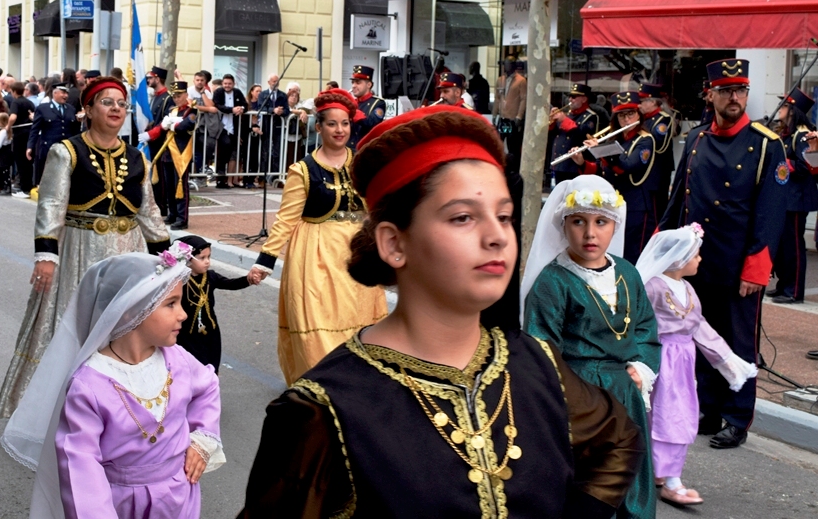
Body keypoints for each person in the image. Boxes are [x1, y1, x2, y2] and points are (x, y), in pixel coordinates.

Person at [240, 106, 645, 518]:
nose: (496, 237)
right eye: (463, 217)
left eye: (504, 216)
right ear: (394, 244)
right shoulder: (322, 411)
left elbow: (619, 440)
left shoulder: (536, 363)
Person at [0, 77, 171, 419]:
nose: (116, 108)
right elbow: (51, 206)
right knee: (75, 328)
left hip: (129, 253)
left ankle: (120, 408)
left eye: (121, 103)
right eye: (107, 102)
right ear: (87, 110)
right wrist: (46, 256)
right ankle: (62, 410)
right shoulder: (66, 151)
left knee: (123, 330)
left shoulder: (137, 158)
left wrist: (170, 262)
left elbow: (149, 212)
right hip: (80, 251)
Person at [2, 248, 225, 518]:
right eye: (171, 304)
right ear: (131, 310)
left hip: (180, 495)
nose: (183, 314)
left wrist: (202, 439)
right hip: (123, 504)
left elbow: (208, 387)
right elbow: (80, 467)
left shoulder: (176, 358)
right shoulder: (90, 385)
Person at [659, 58, 788, 449]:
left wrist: (757, 267)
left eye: (741, 90)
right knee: (700, 336)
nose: (735, 97)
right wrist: (663, 250)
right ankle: (710, 408)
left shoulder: (767, 144)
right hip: (698, 261)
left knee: (738, 341)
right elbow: (677, 201)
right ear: (710, 94)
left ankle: (737, 415)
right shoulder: (697, 140)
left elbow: (771, 211)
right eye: (727, 90)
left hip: (738, 263)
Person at [521, 174, 661, 519]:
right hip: (581, 399)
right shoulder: (553, 282)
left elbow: (645, 326)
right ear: (563, 225)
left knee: (630, 472)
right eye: (578, 222)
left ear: (615, 226)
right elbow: (542, 348)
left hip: (626, 392)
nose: (590, 233)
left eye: (601, 222)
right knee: (592, 481)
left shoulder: (627, 273)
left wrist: (641, 367)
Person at [247, 89, 387, 384]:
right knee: (318, 325)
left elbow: (377, 207)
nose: (340, 130)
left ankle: (357, 385)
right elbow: (286, 220)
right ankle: (323, 388)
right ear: (318, 127)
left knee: (358, 322)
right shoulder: (303, 171)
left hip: (357, 255)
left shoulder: (363, 163)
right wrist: (264, 261)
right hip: (316, 258)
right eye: (333, 124)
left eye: (345, 123)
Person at [635, 224, 757, 507]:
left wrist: (728, 362)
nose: (700, 260)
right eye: (696, 255)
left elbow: (700, 328)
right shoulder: (653, 287)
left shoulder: (688, 289)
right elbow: (639, 324)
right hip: (658, 361)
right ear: (678, 259)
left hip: (683, 365)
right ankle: (662, 476)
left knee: (680, 416)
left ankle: (666, 474)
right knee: (659, 417)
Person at [573, 91, 657, 263]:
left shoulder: (645, 140)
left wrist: (601, 150)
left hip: (636, 206)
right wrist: (581, 161)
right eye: (621, 116)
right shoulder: (618, 138)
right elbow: (602, 171)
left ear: (638, 115)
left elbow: (626, 167)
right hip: (614, 204)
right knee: (613, 252)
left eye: (630, 114)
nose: (626, 120)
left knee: (632, 255)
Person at [175, 235, 252, 372]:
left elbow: (231, 284)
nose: (207, 262)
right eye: (202, 258)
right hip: (187, 333)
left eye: (209, 257)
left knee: (212, 363)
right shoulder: (180, 281)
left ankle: (210, 389)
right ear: (188, 258)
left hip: (211, 330)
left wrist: (248, 279)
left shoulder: (211, 277)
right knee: (192, 366)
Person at [769, 89, 818, 304]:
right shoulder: (787, 134)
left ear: (793, 110)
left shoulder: (801, 135)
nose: (780, 109)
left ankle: (794, 290)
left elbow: (804, 166)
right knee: (783, 247)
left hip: (797, 199)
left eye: (785, 106)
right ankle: (783, 285)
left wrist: (780, 165)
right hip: (787, 198)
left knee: (794, 248)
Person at [147, 81, 197, 231]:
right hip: (168, 152)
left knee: (180, 186)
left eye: (179, 95)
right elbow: (163, 125)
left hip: (181, 153)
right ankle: (172, 214)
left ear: (186, 95)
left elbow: (185, 126)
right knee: (169, 186)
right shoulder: (172, 110)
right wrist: (168, 123)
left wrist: (172, 125)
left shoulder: (191, 111)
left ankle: (182, 218)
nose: (176, 98)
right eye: (174, 96)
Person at [638, 82, 680, 220]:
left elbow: (659, 145)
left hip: (658, 171)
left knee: (656, 210)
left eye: (642, 101)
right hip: (646, 171)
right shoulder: (644, 119)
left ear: (652, 102)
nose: (639, 105)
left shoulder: (663, 118)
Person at [27, 83, 80, 186]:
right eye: (63, 93)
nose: (66, 96)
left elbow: (75, 130)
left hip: (66, 148)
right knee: (49, 176)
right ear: (55, 93)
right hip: (49, 148)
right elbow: (35, 129)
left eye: (67, 93)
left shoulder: (71, 109)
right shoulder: (43, 108)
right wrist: (30, 146)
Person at [140, 66, 176, 216]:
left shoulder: (168, 98)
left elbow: (165, 122)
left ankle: (162, 208)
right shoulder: (156, 96)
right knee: (153, 177)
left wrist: (151, 134)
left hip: (161, 142)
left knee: (160, 178)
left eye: (150, 77)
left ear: (157, 78)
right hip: (153, 141)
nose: (148, 80)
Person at [550, 83, 600, 185]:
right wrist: (552, 121)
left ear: (584, 99)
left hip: (574, 166)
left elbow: (582, 134)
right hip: (559, 163)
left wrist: (564, 120)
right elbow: (554, 134)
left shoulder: (591, 116)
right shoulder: (567, 115)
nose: (570, 99)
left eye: (574, 97)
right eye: (569, 96)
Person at [210, 74, 248, 190]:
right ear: (222, 84)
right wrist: (231, 110)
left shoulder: (237, 92)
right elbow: (218, 105)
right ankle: (220, 179)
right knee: (223, 152)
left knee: (231, 153)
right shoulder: (218, 93)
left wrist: (241, 109)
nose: (227, 86)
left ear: (233, 84)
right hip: (221, 127)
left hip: (234, 128)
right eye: (225, 83)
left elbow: (245, 105)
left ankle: (227, 179)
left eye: (229, 83)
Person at [493, 59, 527, 157]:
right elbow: (497, 98)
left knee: (513, 145)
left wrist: (519, 116)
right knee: (499, 143)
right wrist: (495, 114)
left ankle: (513, 168)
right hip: (503, 117)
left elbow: (523, 99)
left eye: (509, 64)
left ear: (513, 66)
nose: (506, 67)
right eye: (505, 65)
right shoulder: (500, 80)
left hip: (513, 118)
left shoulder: (521, 81)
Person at [9, 81, 37, 198]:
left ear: (14, 91)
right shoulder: (29, 102)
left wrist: (8, 127)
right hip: (29, 134)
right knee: (28, 161)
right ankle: (28, 185)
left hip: (19, 135)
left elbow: (13, 117)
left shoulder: (16, 102)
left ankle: (23, 187)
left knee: (20, 161)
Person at [347, 65, 385, 150]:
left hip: (365, 150)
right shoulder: (353, 102)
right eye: (353, 82)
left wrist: (352, 109)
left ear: (369, 84)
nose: (353, 86)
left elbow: (371, 122)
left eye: (358, 82)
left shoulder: (378, 103)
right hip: (348, 149)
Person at [257, 74, 289, 175]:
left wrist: (281, 112)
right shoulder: (263, 94)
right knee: (264, 151)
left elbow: (287, 110)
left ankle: (275, 175)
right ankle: (263, 175)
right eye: (273, 81)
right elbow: (260, 107)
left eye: (277, 81)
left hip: (278, 126)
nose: (276, 83)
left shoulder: (282, 95)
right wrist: (272, 110)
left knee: (277, 152)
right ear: (269, 82)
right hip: (266, 125)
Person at [0, 112, 14, 196]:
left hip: (3, 152)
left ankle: (6, 188)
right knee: (6, 170)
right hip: (7, 151)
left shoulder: (3, 132)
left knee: (4, 170)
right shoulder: (8, 131)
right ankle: (7, 186)